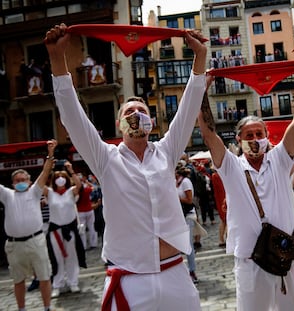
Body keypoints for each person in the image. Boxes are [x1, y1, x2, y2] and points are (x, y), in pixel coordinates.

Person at [44, 23, 207, 310]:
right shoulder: (105, 158)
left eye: (141, 111)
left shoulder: (167, 152)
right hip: (130, 280)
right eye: (128, 112)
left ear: (151, 123)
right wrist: (58, 58)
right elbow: (72, 116)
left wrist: (200, 58)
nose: (135, 114)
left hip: (175, 274)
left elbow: (189, 107)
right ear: (120, 125)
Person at [198, 59, 294, 310]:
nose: (256, 139)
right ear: (238, 139)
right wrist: (202, 91)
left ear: (267, 137)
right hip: (249, 261)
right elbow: (208, 134)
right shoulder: (231, 165)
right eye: (249, 135)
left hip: (285, 257)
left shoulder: (279, 158)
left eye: (260, 134)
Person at [1, 140, 56, 311]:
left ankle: (47, 307)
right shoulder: (7, 195)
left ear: (29, 181)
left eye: (23, 179)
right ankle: (21, 309)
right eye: (17, 180)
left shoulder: (34, 192)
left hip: (35, 241)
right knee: (18, 280)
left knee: (44, 277)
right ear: (13, 183)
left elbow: (46, 171)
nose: (20, 182)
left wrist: (50, 152)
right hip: (14, 244)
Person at [44, 160, 86, 298]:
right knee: (56, 258)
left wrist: (71, 170)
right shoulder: (49, 193)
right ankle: (57, 284)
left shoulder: (70, 192)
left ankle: (73, 282)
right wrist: (48, 167)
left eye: (62, 177)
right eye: (57, 178)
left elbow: (79, 185)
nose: (60, 179)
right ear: (53, 180)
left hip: (70, 230)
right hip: (55, 231)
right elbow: (40, 184)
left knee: (72, 257)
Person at [175, 164, 199, 284]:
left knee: (188, 244)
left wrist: (175, 197)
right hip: (178, 216)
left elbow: (190, 199)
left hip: (188, 215)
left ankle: (192, 271)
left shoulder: (185, 182)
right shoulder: (175, 182)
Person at [76, 173, 98, 250]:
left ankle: (83, 246)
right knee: (91, 227)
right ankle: (93, 243)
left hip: (80, 211)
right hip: (89, 210)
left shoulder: (76, 189)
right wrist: (86, 181)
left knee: (82, 230)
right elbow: (93, 188)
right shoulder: (87, 188)